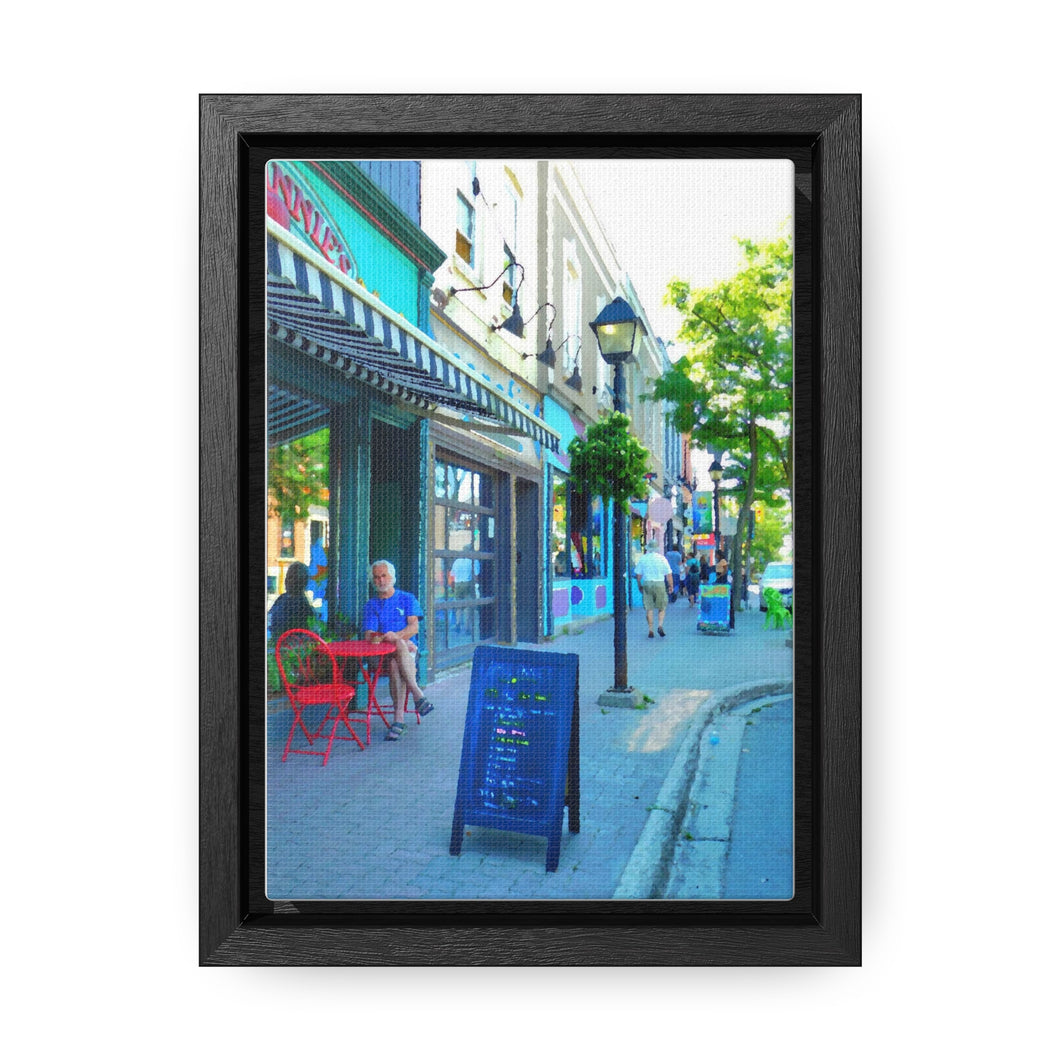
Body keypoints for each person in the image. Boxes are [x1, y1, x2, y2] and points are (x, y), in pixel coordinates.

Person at [363, 559, 434, 741]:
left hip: (407, 653)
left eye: (384, 576)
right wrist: (387, 639)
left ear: (392, 577)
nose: (380, 580)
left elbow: (414, 628)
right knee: (399, 648)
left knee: (396, 663)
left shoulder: (407, 598)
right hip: (381, 655)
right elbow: (369, 635)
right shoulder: (371, 605)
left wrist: (397, 638)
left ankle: (398, 721)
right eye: (377, 577)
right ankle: (418, 694)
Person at [633, 540, 673, 639]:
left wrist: (639, 585)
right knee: (662, 606)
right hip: (659, 583)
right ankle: (660, 625)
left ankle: (650, 630)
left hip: (647, 583)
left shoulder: (643, 559)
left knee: (649, 608)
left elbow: (638, 574)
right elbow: (669, 574)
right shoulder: (662, 559)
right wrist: (671, 585)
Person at [268, 562, 318, 639]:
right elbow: (269, 619)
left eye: (291, 577)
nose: (286, 581)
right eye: (287, 577)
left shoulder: (302, 606)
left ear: (302, 582)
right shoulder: (282, 598)